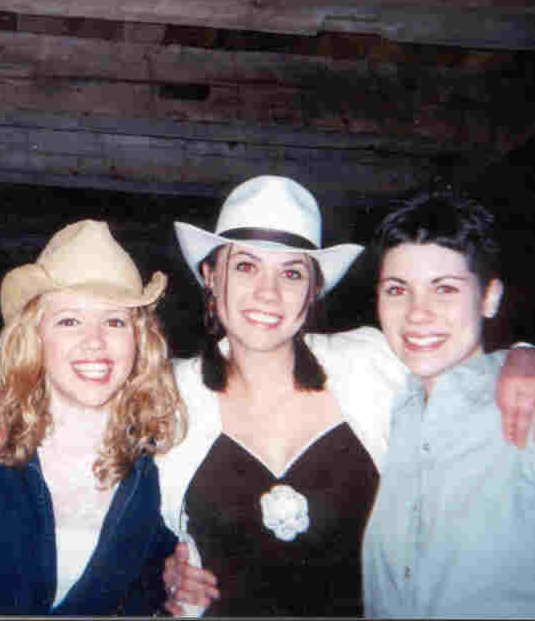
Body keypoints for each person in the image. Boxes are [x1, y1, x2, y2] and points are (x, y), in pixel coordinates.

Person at [158, 176, 535, 617]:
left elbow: (456, 360)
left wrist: (523, 355)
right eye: (245, 266)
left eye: (292, 272)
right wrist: (164, 569)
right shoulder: (171, 396)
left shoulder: (370, 363)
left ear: (314, 288)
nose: (268, 292)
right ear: (210, 274)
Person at [0, 219, 184, 615]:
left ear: (139, 339)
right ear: (35, 337)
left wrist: (172, 581)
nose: (94, 341)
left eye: (114, 321)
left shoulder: (160, 465)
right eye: (69, 320)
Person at [362, 190, 535, 617]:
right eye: (398, 289)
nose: (417, 313)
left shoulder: (524, 406)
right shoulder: (391, 401)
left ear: (490, 297)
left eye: (444, 289)